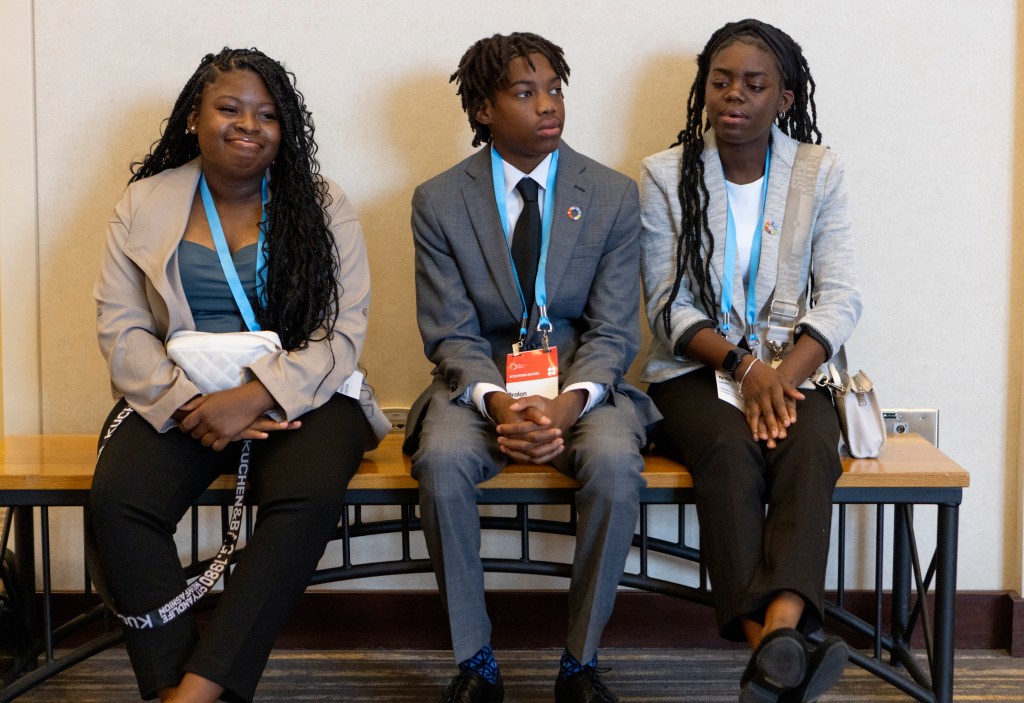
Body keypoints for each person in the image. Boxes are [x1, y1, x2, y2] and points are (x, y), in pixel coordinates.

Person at [89, 48, 379, 703]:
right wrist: (189, 402)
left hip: (305, 393)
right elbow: (121, 326)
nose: (249, 125)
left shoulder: (324, 203)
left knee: (305, 499)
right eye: (230, 108)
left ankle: (195, 693)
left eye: (267, 114)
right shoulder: (143, 203)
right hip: (180, 392)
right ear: (195, 116)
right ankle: (174, 685)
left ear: (285, 127)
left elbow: (343, 328)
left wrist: (254, 396)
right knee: (120, 500)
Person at [404, 31, 659, 703]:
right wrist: (500, 404)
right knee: (441, 460)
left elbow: (613, 329)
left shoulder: (610, 193)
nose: (548, 105)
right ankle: (475, 660)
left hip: (584, 387)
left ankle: (580, 662)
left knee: (615, 464)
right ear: (483, 109)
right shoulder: (439, 200)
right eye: (525, 92)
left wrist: (566, 406)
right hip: (479, 386)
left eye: (554, 90)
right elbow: (450, 332)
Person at [639, 19, 861, 703]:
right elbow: (666, 305)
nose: (734, 94)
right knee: (729, 450)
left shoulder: (819, 172)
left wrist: (780, 377)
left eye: (754, 84)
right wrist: (744, 368)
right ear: (705, 89)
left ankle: (776, 637)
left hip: (793, 367)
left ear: (784, 98)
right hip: (695, 370)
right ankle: (780, 648)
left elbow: (842, 295)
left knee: (812, 445)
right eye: (721, 81)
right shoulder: (665, 174)